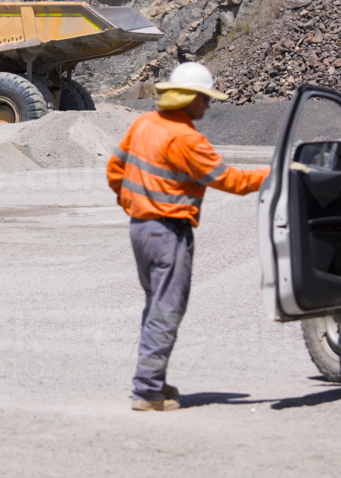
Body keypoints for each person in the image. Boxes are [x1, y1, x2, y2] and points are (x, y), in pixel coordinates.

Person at [106, 61, 270, 412]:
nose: (209, 106)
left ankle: (153, 380)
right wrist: (278, 172)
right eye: (206, 99)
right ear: (190, 98)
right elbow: (234, 182)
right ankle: (148, 391)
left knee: (155, 305)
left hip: (140, 229)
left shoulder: (143, 123)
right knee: (166, 310)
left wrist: (134, 206)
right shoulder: (188, 139)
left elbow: (114, 169)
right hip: (168, 232)